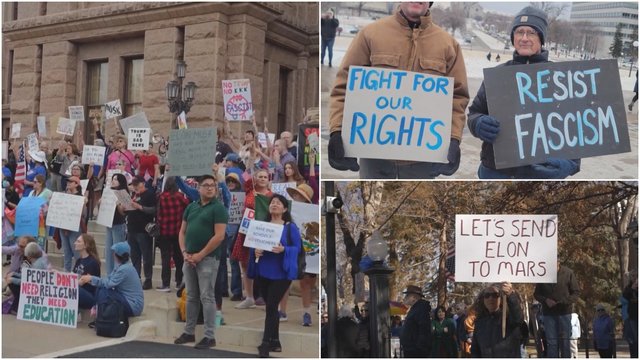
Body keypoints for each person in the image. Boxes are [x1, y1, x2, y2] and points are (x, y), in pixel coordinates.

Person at [328, 2, 469, 179]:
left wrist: (454, 138)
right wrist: (337, 131)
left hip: (423, 162)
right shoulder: (370, 34)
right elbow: (344, 86)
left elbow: (458, 98)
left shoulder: (449, 45)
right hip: (373, 157)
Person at [467, 6, 581, 179]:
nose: (524, 38)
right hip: (494, 170)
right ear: (513, 37)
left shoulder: (560, 78)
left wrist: (570, 164)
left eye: (532, 33)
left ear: (541, 38)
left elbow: (575, 125)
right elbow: (474, 112)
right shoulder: (497, 76)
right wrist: (478, 123)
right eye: (519, 32)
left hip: (538, 172)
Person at [174, 174, 228, 349]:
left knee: (207, 296)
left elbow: (219, 236)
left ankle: (209, 335)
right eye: (206, 185)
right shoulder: (191, 207)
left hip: (208, 259)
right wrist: (184, 252)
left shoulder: (218, 208)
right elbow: (182, 232)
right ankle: (189, 332)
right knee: (191, 296)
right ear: (199, 188)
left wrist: (201, 254)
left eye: (213, 185)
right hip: (189, 257)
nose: (210, 188)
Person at [248, 194, 302, 358]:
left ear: (285, 209)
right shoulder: (261, 225)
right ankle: (275, 341)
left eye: (278, 203)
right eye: (272, 202)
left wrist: (284, 249)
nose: (274, 204)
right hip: (263, 271)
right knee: (271, 308)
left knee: (271, 306)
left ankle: (265, 343)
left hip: (282, 273)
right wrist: (255, 250)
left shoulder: (290, 227)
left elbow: (298, 248)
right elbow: (252, 245)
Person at [232, 169, 272, 310]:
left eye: (265, 177)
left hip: (261, 234)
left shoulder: (272, 196)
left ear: (269, 179)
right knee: (245, 264)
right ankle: (249, 297)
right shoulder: (250, 190)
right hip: (246, 231)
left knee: (262, 264)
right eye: (259, 176)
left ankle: (266, 297)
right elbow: (246, 178)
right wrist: (251, 162)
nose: (262, 179)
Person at [79, 242, 144, 322]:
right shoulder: (122, 266)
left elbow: (108, 284)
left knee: (104, 291)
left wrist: (91, 278)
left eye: (114, 253)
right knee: (101, 289)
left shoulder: (124, 269)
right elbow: (108, 279)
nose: (113, 254)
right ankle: (96, 307)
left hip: (133, 306)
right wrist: (91, 279)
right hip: (128, 301)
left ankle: (98, 310)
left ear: (117, 255)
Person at [534, 263, 581, 358]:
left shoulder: (568, 273)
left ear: (558, 262)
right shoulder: (543, 273)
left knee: (565, 343)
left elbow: (576, 293)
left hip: (564, 313)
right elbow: (536, 294)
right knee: (552, 343)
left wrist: (563, 301)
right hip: (549, 314)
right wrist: (545, 300)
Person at [470, 282, 523, 357]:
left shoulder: (509, 318)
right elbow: (475, 349)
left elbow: (518, 318)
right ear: (483, 299)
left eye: (495, 295)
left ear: (501, 298)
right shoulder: (480, 322)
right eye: (487, 295)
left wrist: (511, 295)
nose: (491, 298)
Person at [155, 176, 188, 291]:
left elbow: (158, 213)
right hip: (178, 231)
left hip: (164, 231)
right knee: (179, 258)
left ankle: (166, 284)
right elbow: (187, 207)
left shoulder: (161, 197)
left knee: (165, 259)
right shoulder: (180, 197)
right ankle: (179, 282)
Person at [125, 176, 157, 290]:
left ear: (143, 183)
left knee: (146, 256)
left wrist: (139, 207)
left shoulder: (150, 194)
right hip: (132, 228)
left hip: (143, 229)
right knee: (134, 256)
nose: (136, 187)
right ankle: (136, 278)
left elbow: (154, 210)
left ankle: (148, 279)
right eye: (134, 185)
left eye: (137, 185)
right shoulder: (134, 195)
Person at [7, 242, 50, 314]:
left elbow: (28, 282)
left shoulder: (37, 265)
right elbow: (28, 276)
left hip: (36, 288)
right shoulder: (38, 261)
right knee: (12, 277)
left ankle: (17, 307)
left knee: (12, 283)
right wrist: (14, 274)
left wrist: (13, 280)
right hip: (37, 285)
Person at [59, 176, 85, 272]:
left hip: (74, 227)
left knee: (76, 251)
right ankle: (66, 273)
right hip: (63, 225)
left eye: (71, 182)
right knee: (66, 252)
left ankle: (79, 272)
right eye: (67, 181)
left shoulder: (80, 197)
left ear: (76, 184)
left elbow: (82, 213)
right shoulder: (63, 195)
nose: (68, 183)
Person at [104, 173, 129, 274]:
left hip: (118, 224)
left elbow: (124, 212)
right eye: (112, 179)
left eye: (116, 179)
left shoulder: (124, 193)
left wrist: (118, 203)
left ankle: (118, 273)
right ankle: (110, 273)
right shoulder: (108, 191)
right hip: (109, 223)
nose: (113, 181)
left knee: (118, 251)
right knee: (109, 251)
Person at [400, 284, 432, 357]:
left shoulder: (421, 309)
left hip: (416, 352)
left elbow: (424, 330)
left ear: (414, 297)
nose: (404, 298)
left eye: (407, 295)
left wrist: (418, 349)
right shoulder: (415, 309)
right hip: (411, 350)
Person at [73, 234, 101, 310]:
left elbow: (81, 282)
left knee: (73, 289)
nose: (75, 243)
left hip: (90, 296)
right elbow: (73, 277)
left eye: (78, 241)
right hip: (80, 292)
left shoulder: (92, 262)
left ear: (85, 245)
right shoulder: (79, 260)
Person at [623, 273, 638, 358]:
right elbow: (623, 298)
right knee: (633, 338)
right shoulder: (628, 288)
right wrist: (632, 289)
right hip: (632, 316)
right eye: (633, 277)